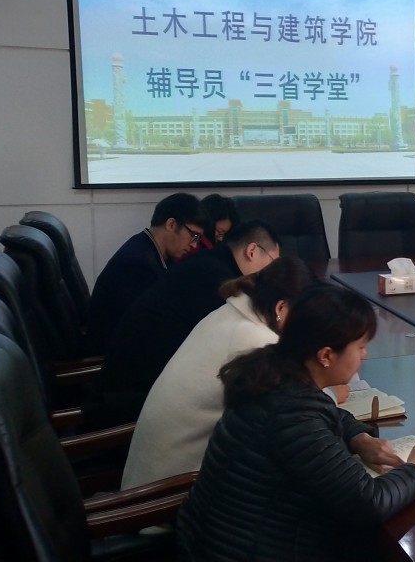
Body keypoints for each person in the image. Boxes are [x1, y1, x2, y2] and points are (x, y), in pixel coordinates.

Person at [176, 285, 415, 560]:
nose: (365, 355)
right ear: (325, 355)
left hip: (212, 541)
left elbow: (326, 413)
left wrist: (358, 437)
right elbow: (368, 503)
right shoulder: (291, 415)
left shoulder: (272, 373)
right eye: (360, 346)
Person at [120, 257, 319, 490]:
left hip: (148, 473)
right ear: (281, 308)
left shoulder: (228, 313)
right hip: (171, 492)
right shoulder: (256, 340)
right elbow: (297, 414)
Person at [86, 220, 282, 427]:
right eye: (273, 264)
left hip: (126, 382)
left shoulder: (206, 263)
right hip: (134, 398)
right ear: (252, 251)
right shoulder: (218, 281)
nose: (271, 275)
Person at [86, 192, 203, 356]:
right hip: (114, 355)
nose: (194, 245)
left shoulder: (147, 247)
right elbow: (146, 328)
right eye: (194, 236)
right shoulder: (137, 265)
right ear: (171, 224)